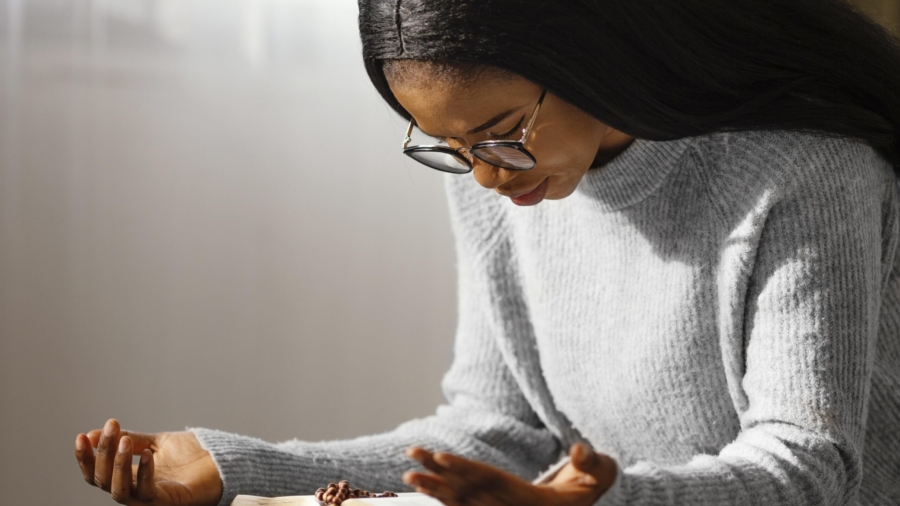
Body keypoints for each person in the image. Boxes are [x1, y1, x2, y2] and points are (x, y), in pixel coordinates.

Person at [74, 0, 900, 504]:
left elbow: (807, 471)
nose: (483, 175)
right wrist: (234, 467)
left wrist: (601, 502)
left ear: (591, 56)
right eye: (447, 146)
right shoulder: (498, 181)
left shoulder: (803, 171)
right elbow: (499, 431)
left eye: (501, 133)